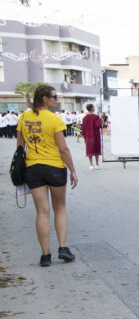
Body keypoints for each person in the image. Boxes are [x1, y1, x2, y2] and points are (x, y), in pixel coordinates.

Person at [17, 85, 79, 267]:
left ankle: (45, 255)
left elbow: (20, 147)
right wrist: (73, 171)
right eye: (54, 96)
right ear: (44, 98)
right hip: (54, 167)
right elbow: (63, 148)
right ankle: (63, 247)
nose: (56, 99)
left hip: (33, 168)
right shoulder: (54, 119)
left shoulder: (24, 118)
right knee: (59, 208)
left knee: (42, 212)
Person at [81, 104, 102, 170]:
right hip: (95, 135)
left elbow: (83, 128)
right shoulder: (96, 117)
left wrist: (84, 135)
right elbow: (98, 125)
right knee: (96, 149)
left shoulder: (85, 118)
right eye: (93, 107)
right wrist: (100, 120)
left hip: (88, 136)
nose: (94, 108)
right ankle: (97, 164)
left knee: (89, 150)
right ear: (91, 108)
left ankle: (91, 165)